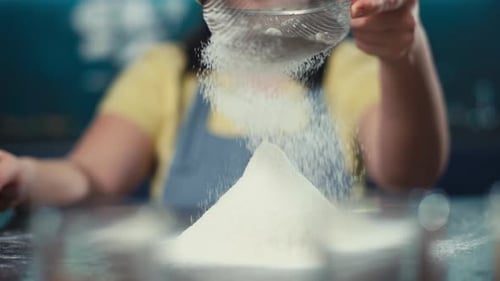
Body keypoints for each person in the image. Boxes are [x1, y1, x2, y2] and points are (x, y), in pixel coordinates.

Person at [0, 0, 449, 212]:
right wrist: (23, 175)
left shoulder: (348, 69)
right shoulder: (168, 73)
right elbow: (90, 178)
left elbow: (408, 173)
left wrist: (401, 53)